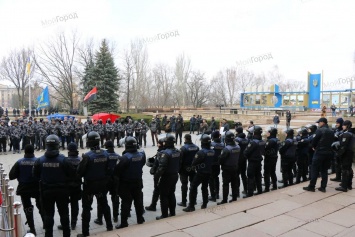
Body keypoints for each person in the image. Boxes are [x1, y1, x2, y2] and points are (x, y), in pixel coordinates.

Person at [32, 135, 74, 237]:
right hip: (62, 190)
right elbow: (72, 174)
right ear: (57, 145)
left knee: (48, 215)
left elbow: (35, 175)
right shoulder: (64, 160)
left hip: (46, 191)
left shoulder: (39, 160)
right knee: (64, 214)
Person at [77, 131, 113, 237]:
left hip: (90, 186)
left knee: (86, 208)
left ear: (91, 142)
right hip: (102, 185)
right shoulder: (106, 153)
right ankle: (110, 226)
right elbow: (109, 170)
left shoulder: (87, 156)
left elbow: (80, 172)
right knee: (104, 204)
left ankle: (85, 232)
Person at [9, 144, 43, 235]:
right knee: (41, 206)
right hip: (37, 188)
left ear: (25, 151)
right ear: (33, 152)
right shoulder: (38, 161)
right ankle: (46, 224)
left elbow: (11, 176)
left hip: (24, 188)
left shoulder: (19, 162)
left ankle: (32, 229)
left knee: (27, 208)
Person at [114, 137, 145, 228]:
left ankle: (124, 223)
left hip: (126, 183)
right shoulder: (141, 155)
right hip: (138, 181)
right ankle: (140, 218)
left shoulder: (124, 158)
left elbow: (116, 171)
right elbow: (142, 164)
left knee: (126, 202)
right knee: (138, 200)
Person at [183, 134, 214, 212]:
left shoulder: (201, 152)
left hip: (200, 172)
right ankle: (204, 204)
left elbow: (194, 163)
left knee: (193, 187)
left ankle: (191, 206)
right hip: (208, 171)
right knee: (205, 187)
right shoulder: (212, 151)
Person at [303, 117, 334, 192]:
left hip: (319, 152)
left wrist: (313, 147)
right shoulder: (331, 131)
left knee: (314, 169)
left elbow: (314, 140)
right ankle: (323, 187)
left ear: (323, 122)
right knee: (324, 170)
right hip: (329, 152)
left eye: (319, 123)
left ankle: (312, 186)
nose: (318, 124)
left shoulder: (320, 130)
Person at [155, 134, 180, 220]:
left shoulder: (165, 153)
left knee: (164, 196)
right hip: (175, 175)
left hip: (166, 177)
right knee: (171, 193)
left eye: (165, 141)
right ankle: (172, 212)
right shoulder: (177, 151)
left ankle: (164, 214)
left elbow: (162, 168)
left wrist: (156, 177)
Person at [95, 141, 120, 224]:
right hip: (115, 180)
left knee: (101, 199)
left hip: (105, 180)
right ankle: (115, 217)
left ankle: (100, 218)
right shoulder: (118, 156)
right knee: (115, 198)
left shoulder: (104, 156)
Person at [57, 143, 81, 231]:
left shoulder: (65, 160)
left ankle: (65, 223)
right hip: (77, 185)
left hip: (66, 186)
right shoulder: (80, 159)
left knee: (64, 205)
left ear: (69, 150)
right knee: (75, 204)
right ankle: (73, 223)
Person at [217, 131, 240, 204]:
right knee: (234, 183)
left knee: (226, 184)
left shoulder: (227, 149)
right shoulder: (238, 147)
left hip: (227, 168)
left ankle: (224, 200)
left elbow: (221, 159)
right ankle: (234, 197)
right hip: (235, 167)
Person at [177, 134, 199, 207]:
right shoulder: (196, 147)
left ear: (185, 139)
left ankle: (184, 202)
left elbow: (180, 160)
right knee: (193, 185)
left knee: (184, 185)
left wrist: (179, 170)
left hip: (184, 169)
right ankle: (194, 200)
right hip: (193, 168)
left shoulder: (183, 148)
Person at [145, 137, 166, 211]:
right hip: (169, 175)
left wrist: (153, 171)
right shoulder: (169, 151)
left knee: (157, 190)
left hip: (160, 175)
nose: (157, 144)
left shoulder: (161, 153)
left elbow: (157, 165)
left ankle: (153, 205)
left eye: (158, 143)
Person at [244, 126, 265, 197]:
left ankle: (250, 193)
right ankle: (259, 190)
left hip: (252, 162)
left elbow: (246, 152)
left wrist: (247, 156)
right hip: (259, 161)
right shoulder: (262, 141)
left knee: (250, 177)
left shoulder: (253, 142)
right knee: (258, 176)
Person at [334, 120, 354, 192]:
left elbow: (343, 146)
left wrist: (339, 154)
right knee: (349, 169)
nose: (342, 126)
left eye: (344, 125)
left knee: (345, 170)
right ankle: (349, 184)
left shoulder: (347, 134)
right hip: (350, 153)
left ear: (347, 126)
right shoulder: (351, 133)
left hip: (346, 154)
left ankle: (344, 186)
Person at [208, 131, 224, 201]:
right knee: (216, 178)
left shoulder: (211, 144)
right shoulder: (222, 144)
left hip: (211, 163)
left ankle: (213, 195)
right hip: (218, 163)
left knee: (211, 179)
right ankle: (217, 193)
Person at [264, 128, 280, 192]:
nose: (267, 133)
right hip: (274, 156)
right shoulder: (277, 139)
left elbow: (266, 148)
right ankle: (274, 185)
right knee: (273, 172)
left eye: (268, 132)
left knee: (267, 173)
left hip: (269, 157)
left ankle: (267, 188)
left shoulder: (270, 141)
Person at [235, 127, 249, 195]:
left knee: (237, 175)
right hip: (244, 158)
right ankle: (246, 189)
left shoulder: (237, 139)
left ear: (237, 132)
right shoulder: (246, 139)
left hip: (238, 158)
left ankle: (236, 192)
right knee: (243, 174)